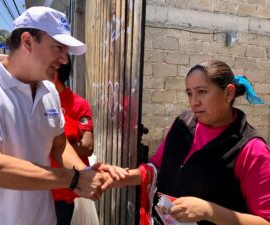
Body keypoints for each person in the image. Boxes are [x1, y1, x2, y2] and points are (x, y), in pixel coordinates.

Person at [0, 6, 127, 225]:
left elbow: (59, 145)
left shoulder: (49, 90)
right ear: (27, 41)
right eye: (58, 48)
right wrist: (73, 180)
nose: (64, 59)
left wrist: (87, 173)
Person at [110, 60, 270, 225]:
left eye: (202, 91)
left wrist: (209, 211)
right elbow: (156, 167)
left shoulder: (251, 149)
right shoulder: (183, 124)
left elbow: (265, 221)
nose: (194, 102)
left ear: (228, 94)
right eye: (189, 93)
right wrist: (121, 177)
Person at [50, 60, 95, 225]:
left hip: (62, 190)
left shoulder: (78, 104)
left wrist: (58, 140)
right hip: (37, 186)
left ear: (54, 74)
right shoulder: (38, 99)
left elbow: (87, 147)